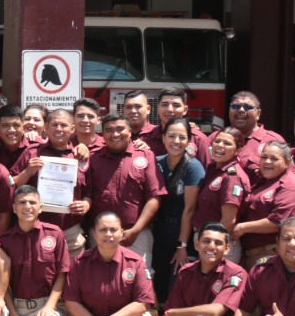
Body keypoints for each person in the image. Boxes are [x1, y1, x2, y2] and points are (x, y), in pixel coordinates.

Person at [0, 186, 69, 316]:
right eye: (21, 203)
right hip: (19, 309)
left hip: (48, 306)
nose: (27, 207)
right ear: (14, 208)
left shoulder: (54, 234)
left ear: (40, 207)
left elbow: (62, 274)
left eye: (32, 202)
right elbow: (4, 286)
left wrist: (50, 306)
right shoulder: (6, 240)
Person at [84, 114, 164, 266]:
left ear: (129, 131)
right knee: (98, 280)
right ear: (102, 134)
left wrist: (135, 230)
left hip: (137, 233)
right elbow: (87, 193)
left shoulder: (145, 156)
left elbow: (154, 198)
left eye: (120, 129)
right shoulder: (93, 158)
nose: (115, 134)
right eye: (109, 130)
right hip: (100, 234)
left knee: (140, 280)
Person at [13, 108, 91, 254]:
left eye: (64, 125)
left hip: (71, 231)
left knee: (73, 275)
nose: (59, 129)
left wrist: (86, 204)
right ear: (46, 128)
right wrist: (28, 172)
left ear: (72, 129)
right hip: (36, 228)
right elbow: (11, 184)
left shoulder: (79, 156)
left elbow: (89, 191)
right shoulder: (32, 152)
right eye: (54, 125)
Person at [151, 118, 205, 301]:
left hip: (182, 232)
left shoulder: (193, 167)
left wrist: (181, 246)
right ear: (163, 138)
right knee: (158, 277)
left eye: (182, 137)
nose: (176, 141)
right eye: (171, 136)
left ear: (189, 141)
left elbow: (189, 210)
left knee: (177, 282)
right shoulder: (156, 162)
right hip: (159, 231)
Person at [231, 142, 295, 264]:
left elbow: (278, 222)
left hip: (269, 255)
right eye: (264, 157)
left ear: (287, 162)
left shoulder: (290, 187)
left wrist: (242, 228)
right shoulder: (265, 181)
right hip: (250, 254)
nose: (267, 161)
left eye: (274, 158)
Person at [195, 128, 246, 260]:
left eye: (227, 143)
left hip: (218, 244)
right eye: (217, 141)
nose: (220, 146)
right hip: (207, 241)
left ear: (238, 151)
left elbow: (229, 220)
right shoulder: (214, 170)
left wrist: (212, 244)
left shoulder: (231, 176)